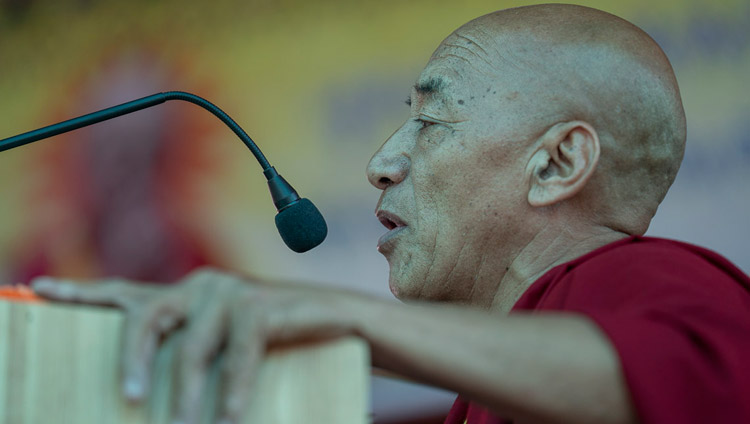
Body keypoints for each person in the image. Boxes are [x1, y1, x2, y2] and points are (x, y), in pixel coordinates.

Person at [31, 4, 750, 424]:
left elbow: (704, 387)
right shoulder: (487, 392)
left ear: (557, 164)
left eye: (430, 122)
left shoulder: (647, 276)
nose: (381, 161)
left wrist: (340, 315)